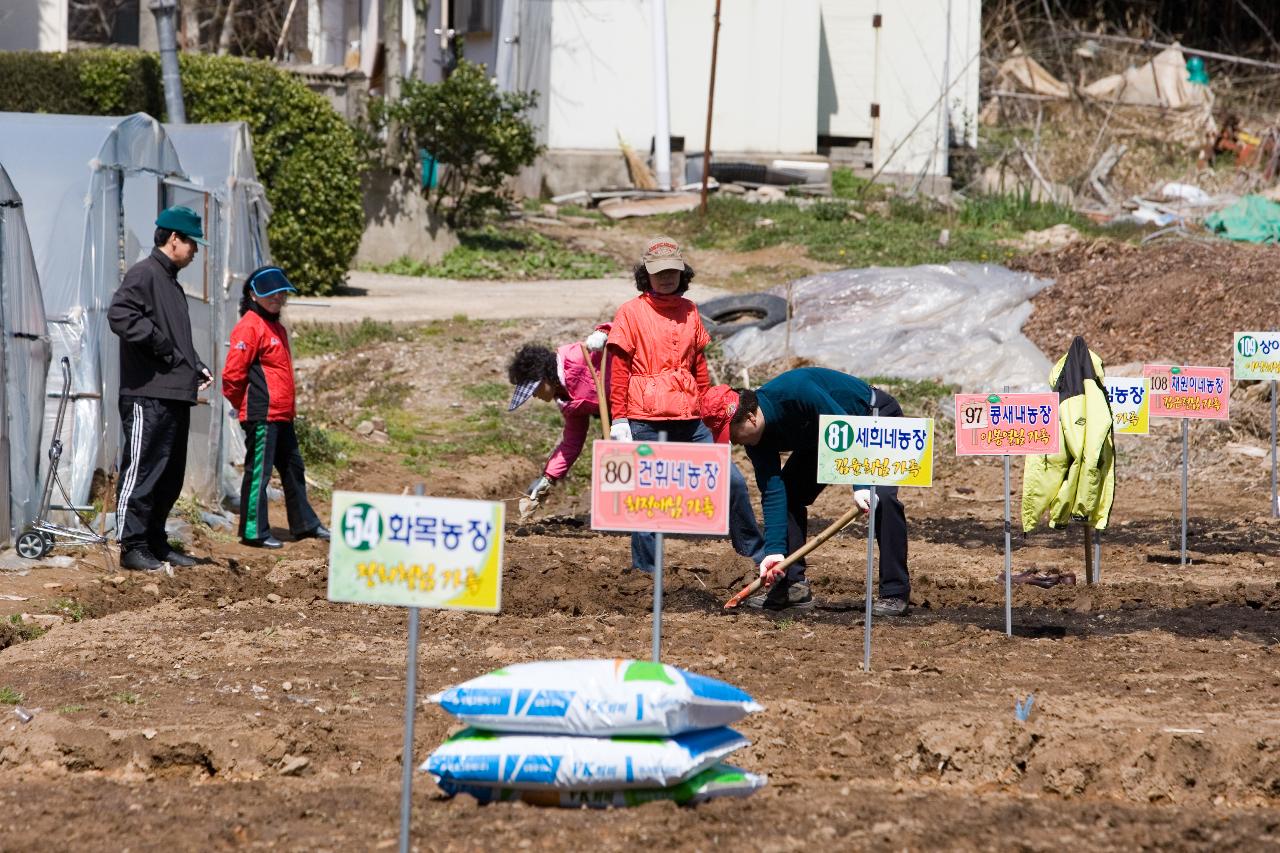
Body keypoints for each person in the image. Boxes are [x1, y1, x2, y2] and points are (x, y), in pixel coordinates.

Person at [605, 237, 765, 571]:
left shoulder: (690, 311)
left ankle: (755, 554)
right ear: (646, 275)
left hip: (691, 419)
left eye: (672, 272)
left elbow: (699, 366)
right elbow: (618, 370)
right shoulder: (630, 313)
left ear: (683, 274)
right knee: (647, 497)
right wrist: (619, 420)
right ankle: (646, 572)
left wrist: (709, 408)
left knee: (730, 480)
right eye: (659, 272)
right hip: (645, 420)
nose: (666, 278)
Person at [701, 367, 911, 615]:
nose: (734, 442)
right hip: (823, 435)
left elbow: (844, 428)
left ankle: (895, 592)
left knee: (882, 498)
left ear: (750, 418)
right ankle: (793, 585)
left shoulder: (796, 391)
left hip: (868, 418)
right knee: (790, 493)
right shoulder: (756, 441)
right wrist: (775, 552)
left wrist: (862, 485)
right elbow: (773, 492)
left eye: (732, 433)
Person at [108, 206, 214, 571]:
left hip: (173, 393)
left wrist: (194, 365)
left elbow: (175, 339)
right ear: (174, 239)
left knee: (169, 476)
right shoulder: (144, 274)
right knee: (142, 471)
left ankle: (154, 542)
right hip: (147, 394)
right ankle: (131, 545)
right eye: (192, 243)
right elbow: (121, 315)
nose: (196, 251)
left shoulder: (170, 282)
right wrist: (163, 348)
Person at [222, 266, 329, 549]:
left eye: (281, 293)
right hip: (262, 415)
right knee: (260, 473)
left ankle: (305, 524)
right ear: (253, 294)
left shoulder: (276, 327)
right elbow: (233, 373)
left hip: (282, 414)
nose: (276, 298)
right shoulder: (249, 325)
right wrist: (240, 404)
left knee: (294, 468)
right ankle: (253, 531)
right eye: (270, 293)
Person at [506, 326, 610, 522]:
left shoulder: (578, 357)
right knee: (610, 460)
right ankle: (618, 517)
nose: (535, 396)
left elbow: (622, 335)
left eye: (535, 390)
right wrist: (548, 477)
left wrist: (603, 333)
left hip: (638, 406)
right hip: (615, 418)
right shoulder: (564, 398)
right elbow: (572, 440)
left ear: (545, 377)